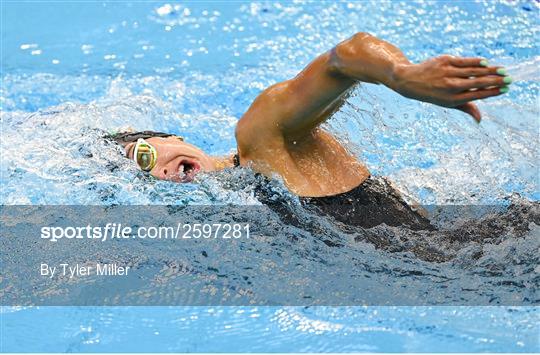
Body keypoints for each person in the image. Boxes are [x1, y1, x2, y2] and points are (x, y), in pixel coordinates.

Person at [110, 32, 512, 230]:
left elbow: (344, 57)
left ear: (172, 139)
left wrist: (401, 75)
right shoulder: (240, 210)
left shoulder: (260, 138)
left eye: (143, 157)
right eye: (144, 180)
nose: (156, 174)